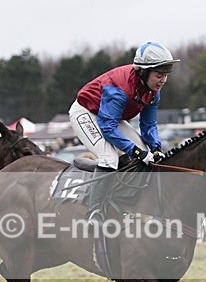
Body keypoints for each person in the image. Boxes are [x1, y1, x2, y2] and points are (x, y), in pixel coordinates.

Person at [68, 41, 178, 221]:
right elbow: (107, 128)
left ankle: (129, 202)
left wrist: (156, 148)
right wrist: (137, 153)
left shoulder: (153, 92)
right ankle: (94, 213)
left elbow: (149, 125)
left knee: (148, 153)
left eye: (166, 75)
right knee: (109, 158)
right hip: (86, 113)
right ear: (143, 72)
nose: (163, 80)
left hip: (110, 117)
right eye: (159, 75)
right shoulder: (119, 89)